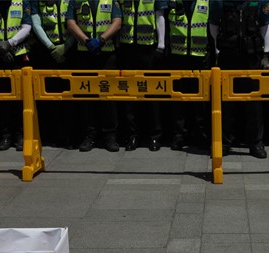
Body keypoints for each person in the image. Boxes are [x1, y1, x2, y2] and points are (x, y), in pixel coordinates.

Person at [209, 0, 269, 159]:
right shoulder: (218, 1)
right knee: (225, 102)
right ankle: (224, 143)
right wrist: (218, 49)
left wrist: (266, 54)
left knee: (254, 103)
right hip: (228, 56)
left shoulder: (260, 1)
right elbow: (214, 25)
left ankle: (256, 143)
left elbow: (265, 27)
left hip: (251, 57)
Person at [65, 0, 123, 152]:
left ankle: (110, 136)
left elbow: (117, 22)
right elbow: (70, 23)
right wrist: (86, 41)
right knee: (87, 97)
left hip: (106, 54)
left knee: (108, 97)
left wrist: (101, 40)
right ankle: (89, 136)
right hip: (84, 54)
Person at [0, 0, 33, 152]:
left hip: (18, 56)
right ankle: (5, 136)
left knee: (21, 99)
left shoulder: (22, 2)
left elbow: (27, 27)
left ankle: (21, 135)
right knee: (1, 99)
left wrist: (10, 43)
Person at [118, 0, 168, 151]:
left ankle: (154, 136)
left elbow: (160, 16)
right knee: (130, 95)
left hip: (148, 49)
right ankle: (133, 135)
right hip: (128, 48)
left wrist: (161, 44)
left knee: (152, 94)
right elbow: (119, 16)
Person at [165, 0, 212, 150]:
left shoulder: (206, 2)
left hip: (200, 57)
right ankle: (179, 135)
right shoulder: (172, 2)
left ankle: (200, 134)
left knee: (201, 100)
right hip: (177, 56)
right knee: (178, 99)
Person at [30, 0, 77, 148]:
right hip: (47, 52)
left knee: (69, 96)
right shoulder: (37, 2)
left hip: (68, 51)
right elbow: (36, 25)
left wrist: (66, 46)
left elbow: (77, 24)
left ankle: (70, 136)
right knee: (49, 96)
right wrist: (51, 47)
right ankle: (52, 135)